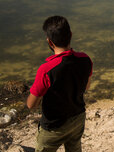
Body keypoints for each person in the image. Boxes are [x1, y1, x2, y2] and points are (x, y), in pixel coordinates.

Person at [27, 16, 93, 152]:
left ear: (50, 42)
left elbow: (31, 104)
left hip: (53, 126)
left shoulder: (46, 70)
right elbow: (87, 87)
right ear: (71, 35)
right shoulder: (85, 59)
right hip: (78, 117)